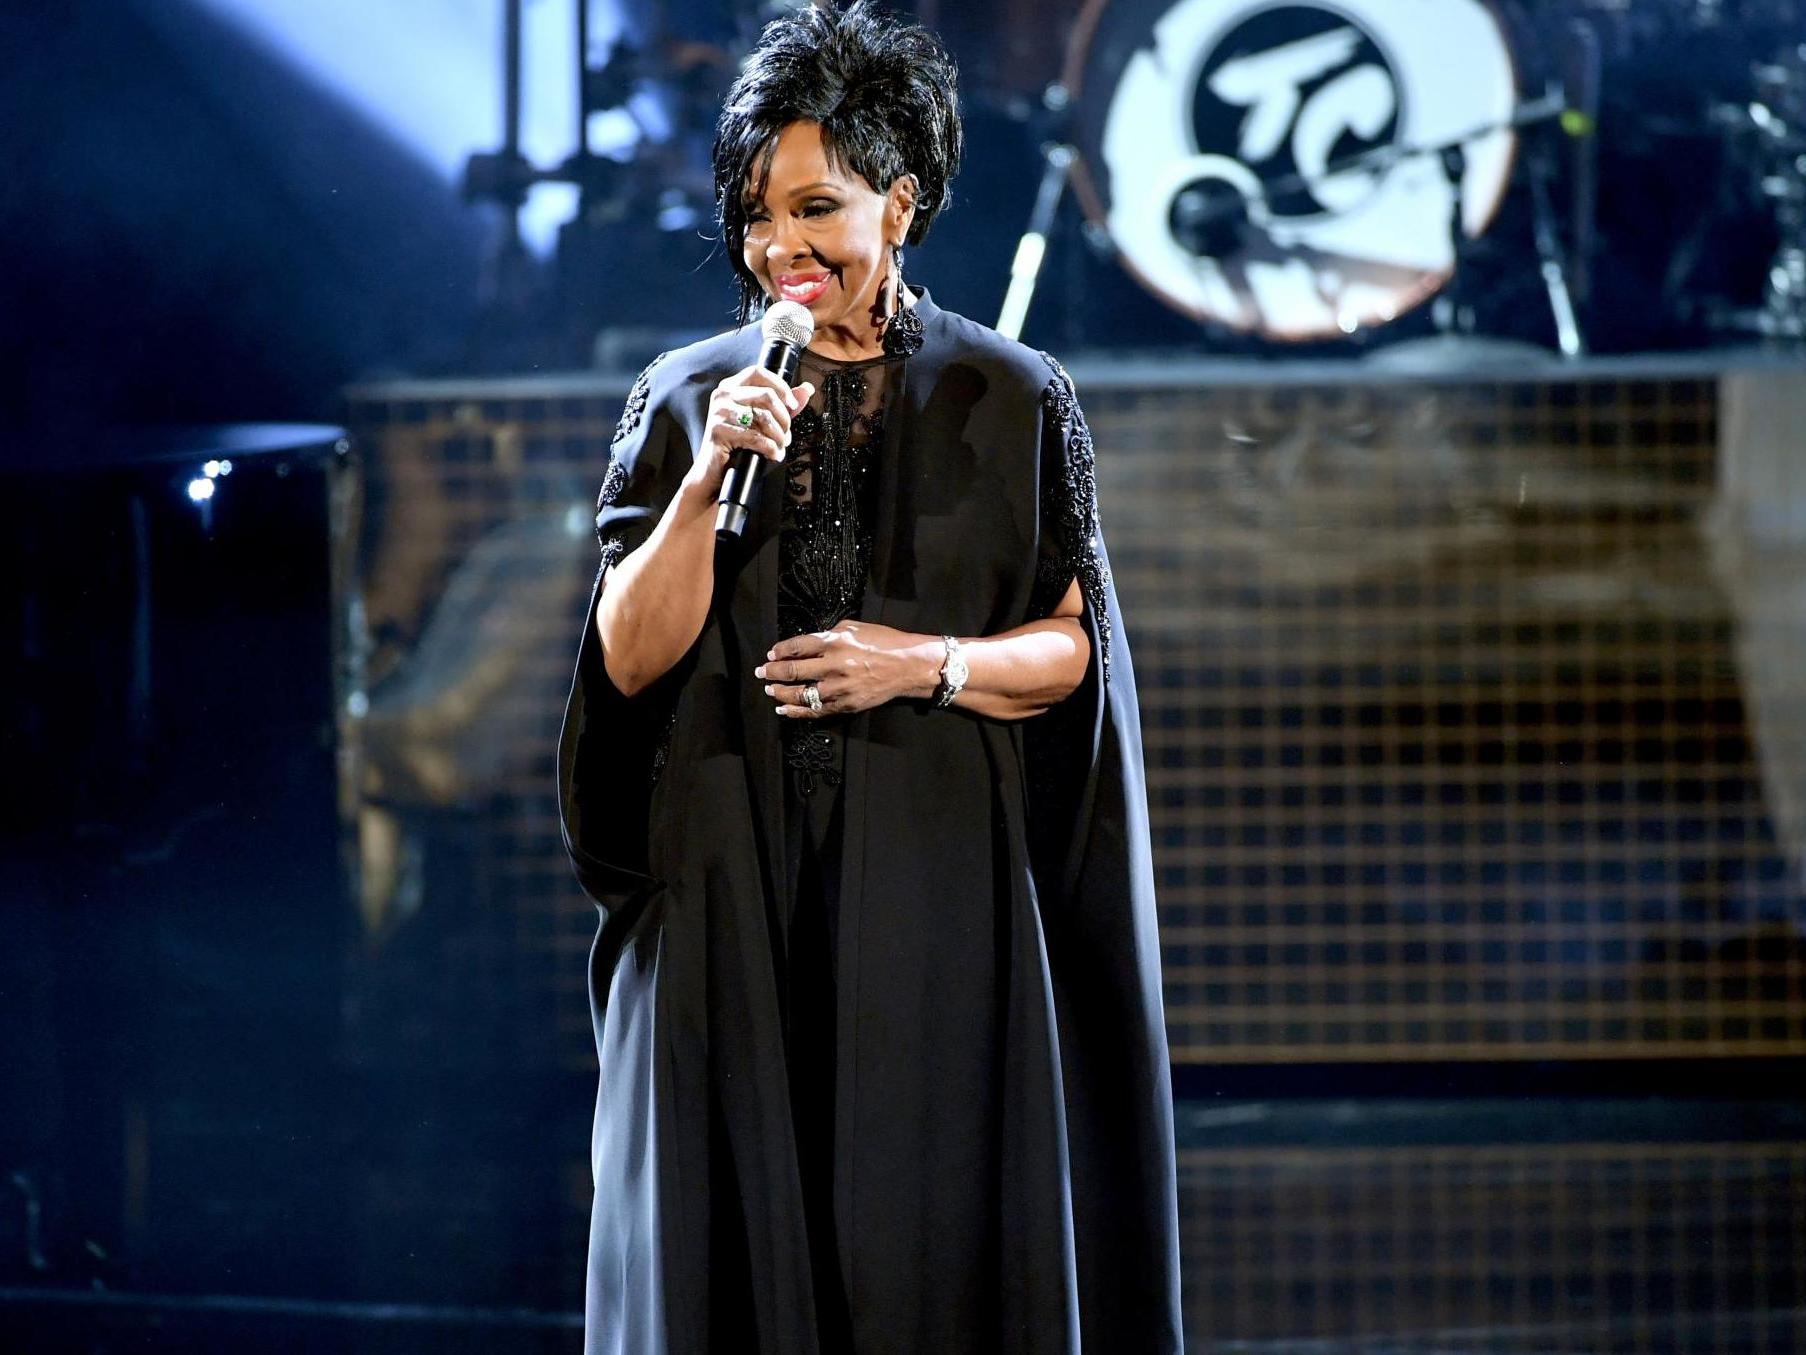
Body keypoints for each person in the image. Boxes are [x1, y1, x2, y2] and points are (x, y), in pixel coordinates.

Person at [556, 3, 1181, 1350]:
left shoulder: (1013, 399)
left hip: (935, 890)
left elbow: (1071, 651)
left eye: (815, 208)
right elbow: (624, 660)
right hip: (729, 883)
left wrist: (927, 664)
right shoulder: (684, 397)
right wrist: (712, 471)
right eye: (754, 215)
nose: (779, 246)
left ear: (899, 207)